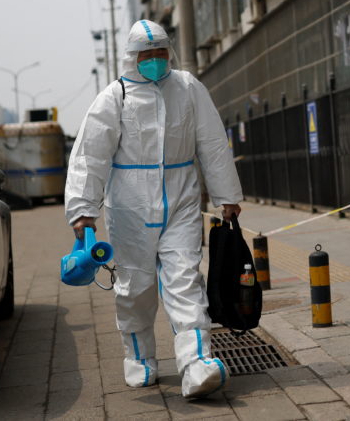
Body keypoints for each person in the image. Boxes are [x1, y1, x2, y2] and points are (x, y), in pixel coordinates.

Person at [64, 20, 243, 398]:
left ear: (169, 53)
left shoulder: (188, 88)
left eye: (161, 53)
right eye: (147, 56)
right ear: (132, 58)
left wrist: (227, 196)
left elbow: (211, 141)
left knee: (184, 280)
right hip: (130, 208)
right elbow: (90, 156)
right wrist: (83, 209)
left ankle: (196, 364)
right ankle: (139, 357)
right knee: (135, 287)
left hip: (181, 199)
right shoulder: (116, 97)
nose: (155, 61)